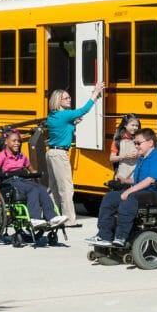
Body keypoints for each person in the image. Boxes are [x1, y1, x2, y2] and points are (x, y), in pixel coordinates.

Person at [85, 127, 157, 248]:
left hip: (156, 194)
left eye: (138, 143)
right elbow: (138, 180)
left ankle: (121, 236)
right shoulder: (141, 159)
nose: (136, 146)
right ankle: (104, 235)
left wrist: (129, 190)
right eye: (135, 143)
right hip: (141, 192)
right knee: (109, 198)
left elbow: (150, 180)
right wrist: (125, 181)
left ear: (150, 143)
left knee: (130, 198)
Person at [45, 81, 105, 227]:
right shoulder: (65, 115)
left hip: (51, 152)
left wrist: (72, 124)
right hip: (60, 154)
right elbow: (84, 110)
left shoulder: (53, 116)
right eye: (66, 98)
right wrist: (95, 93)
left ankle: (50, 215)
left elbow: (62, 128)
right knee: (66, 188)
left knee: (53, 188)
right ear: (58, 101)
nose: (69, 99)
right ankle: (69, 220)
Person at [0, 128, 67, 230]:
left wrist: (37, 177)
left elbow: (32, 170)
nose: (17, 143)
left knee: (41, 189)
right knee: (32, 190)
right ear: (6, 142)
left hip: (21, 180)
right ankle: (35, 219)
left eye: (19, 141)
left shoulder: (22, 156)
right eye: (14, 141)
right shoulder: (2, 156)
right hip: (9, 182)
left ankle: (52, 217)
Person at [109, 113, 142, 183]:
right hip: (121, 176)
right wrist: (125, 156)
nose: (135, 128)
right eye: (132, 125)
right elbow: (111, 158)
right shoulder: (118, 140)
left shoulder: (140, 139)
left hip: (136, 176)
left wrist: (138, 154)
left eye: (137, 126)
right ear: (125, 125)